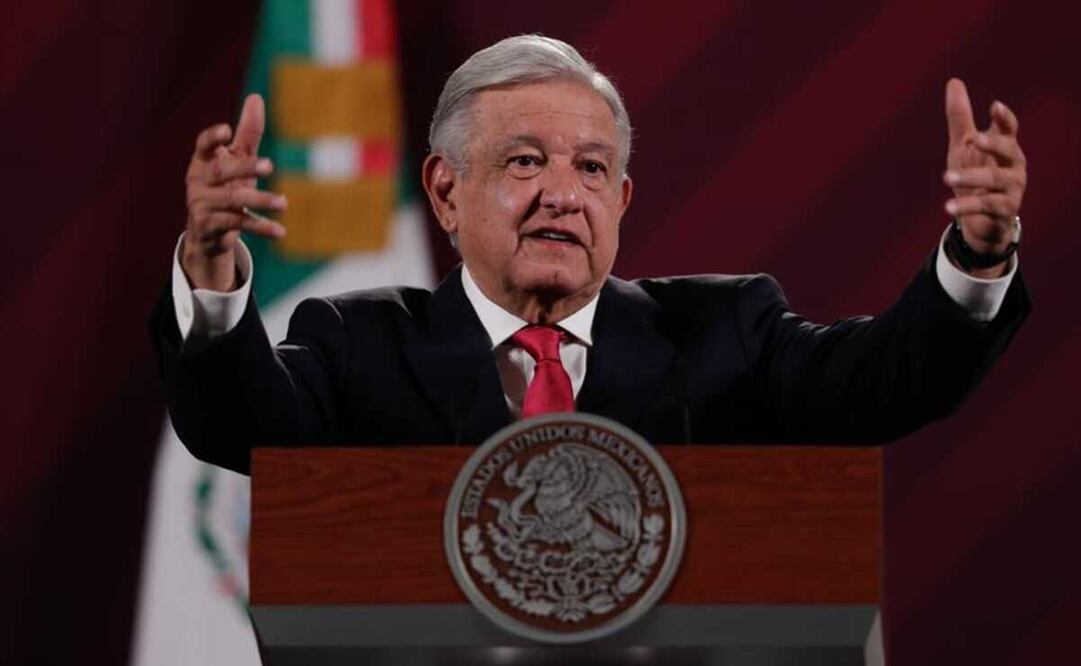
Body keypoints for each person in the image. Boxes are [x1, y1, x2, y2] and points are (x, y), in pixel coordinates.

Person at [152, 36, 1029, 475]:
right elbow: (239, 425)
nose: (563, 194)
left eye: (592, 169)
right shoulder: (357, 347)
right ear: (446, 191)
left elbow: (889, 381)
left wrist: (976, 255)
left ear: (621, 201)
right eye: (524, 161)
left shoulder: (726, 331)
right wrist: (212, 269)